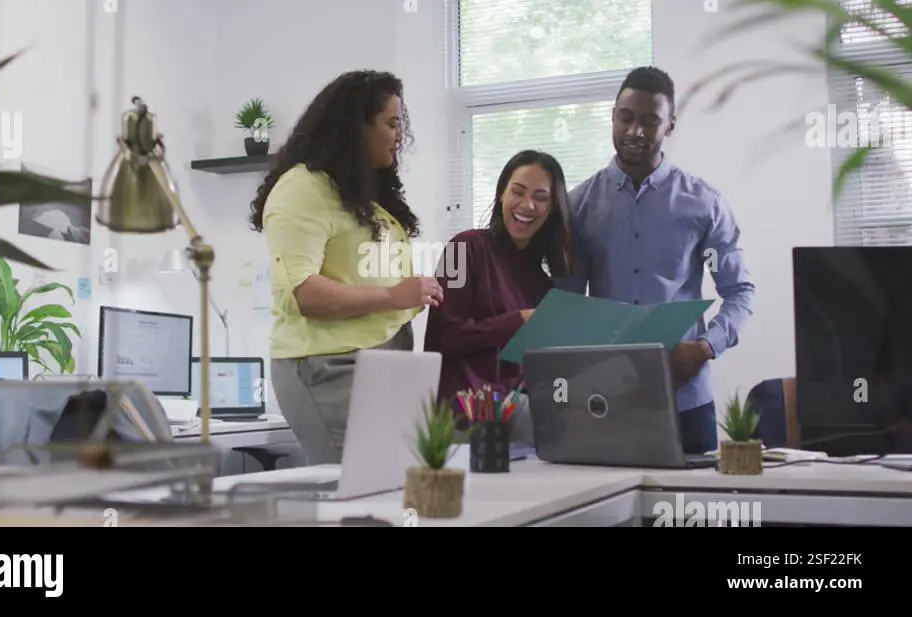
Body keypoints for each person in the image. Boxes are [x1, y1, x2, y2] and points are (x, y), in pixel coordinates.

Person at [248, 70, 443, 465]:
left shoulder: (358, 195)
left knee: (388, 491)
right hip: (330, 367)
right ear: (356, 126)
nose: (400, 137)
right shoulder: (302, 188)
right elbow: (303, 293)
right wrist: (393, 296)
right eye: (391, 124)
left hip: (383, 362)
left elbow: (365, 274)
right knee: (356, 494)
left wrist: (414, 294)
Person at [565, 66, 756, 454]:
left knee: (687, 514)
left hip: (685, 397)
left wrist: (705, 347)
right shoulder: (578, 205)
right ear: (613, 116)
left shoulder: (703, 203)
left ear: (670, 126)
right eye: (626, 117)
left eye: (650, 121)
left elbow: (739, 292)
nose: (635, 131)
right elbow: (567, 304)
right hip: (606, 397)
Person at [423, 150, 572, 446]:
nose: (527, 205)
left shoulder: (543, 283)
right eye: (518, 191)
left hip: (515, 409)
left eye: (541, 197)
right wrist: (518, 321)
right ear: (501, 194)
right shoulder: (464, 247)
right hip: (463, 413)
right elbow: (443, 338)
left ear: (552, 208)